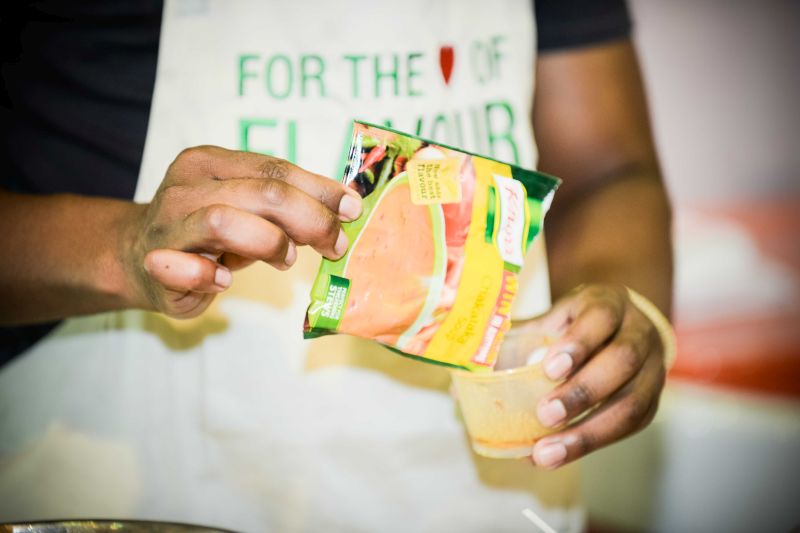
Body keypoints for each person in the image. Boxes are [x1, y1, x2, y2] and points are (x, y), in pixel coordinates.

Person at [0, 0, 672, 531]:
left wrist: (624, 313)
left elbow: (611, 173)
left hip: (489, 503)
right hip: (140, 489)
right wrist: (124, 246)